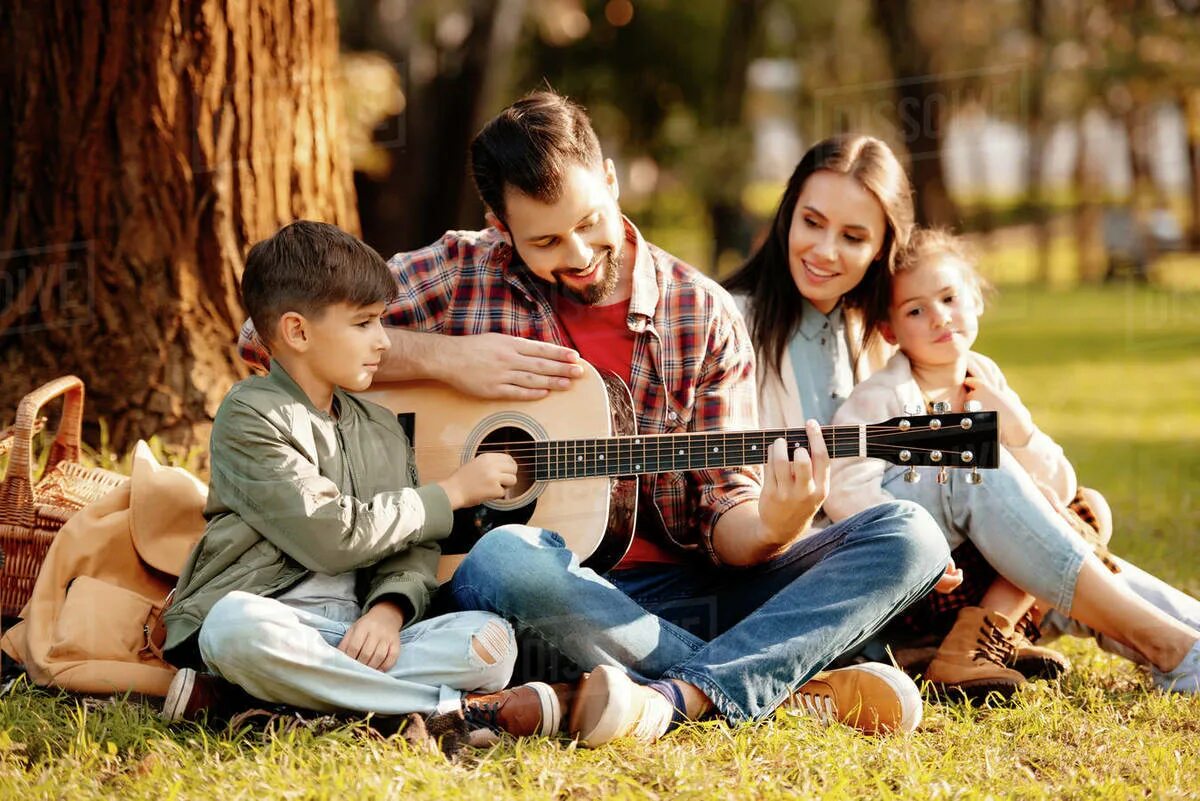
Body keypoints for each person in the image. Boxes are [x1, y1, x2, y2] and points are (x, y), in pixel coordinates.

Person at [238, 92, 952, 744]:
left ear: (611, 180)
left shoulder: (697, 312)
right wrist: (446, 359)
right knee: (508, 553)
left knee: (909, 533)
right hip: (527, 592)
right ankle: (785, 685)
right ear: (499, 227)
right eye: (545, 242)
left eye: (589, 223)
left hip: (680, 595)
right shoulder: (462, 271)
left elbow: (727, 522)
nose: (578, 257)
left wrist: (776, 521)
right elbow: (261, 337)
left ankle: (671, 696)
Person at [160, 221, 575, 741]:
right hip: (275, 619)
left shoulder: (380, 425)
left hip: (353, 634)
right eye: (363, 324)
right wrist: (452, 492)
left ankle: (253, 700)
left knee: (491, 643)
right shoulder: (249, 415)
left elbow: (413, 547)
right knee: (232, 628)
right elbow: (332, 536)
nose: (383, 341)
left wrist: (389, 609)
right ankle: (458, 712)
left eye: (381, 322)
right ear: (298, 332)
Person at [823, 227, 1200, 697]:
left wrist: (1018, 427)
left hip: (989, 579)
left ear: (976, 300)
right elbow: (846, 489)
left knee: (1083, 514)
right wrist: (921, 547)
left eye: (949, 298)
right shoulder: (880, 397)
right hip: (929, 584)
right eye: (916, 310)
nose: (939, 317)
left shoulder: (986, 379)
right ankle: (1173, 649)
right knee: (1053, 519)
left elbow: (1059, 489)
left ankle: (1186, 642)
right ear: (889, 330)